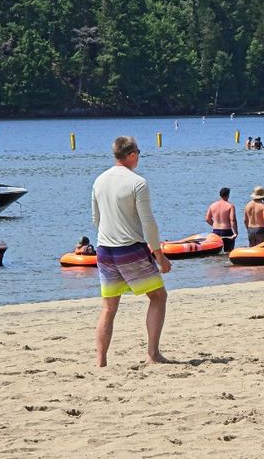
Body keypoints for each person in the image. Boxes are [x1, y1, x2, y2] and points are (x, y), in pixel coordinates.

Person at [92, 136, 172, 367]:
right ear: (132, 155)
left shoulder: (99, 180)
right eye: (139, 153)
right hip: (130, 248)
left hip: (105, 250)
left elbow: (96, 219)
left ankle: (101, 362)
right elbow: (148, 223)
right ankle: (153, 354)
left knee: (108, 308)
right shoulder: (137, 182)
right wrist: (160, 256)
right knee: (158, 296)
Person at [205, 187, 238, 252]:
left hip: (215, 231)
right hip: (227, 231)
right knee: (228, 252)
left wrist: (214, 225)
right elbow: (233, 219)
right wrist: (235, 232)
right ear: (228, 195)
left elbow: (207, 219)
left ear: (220, 195)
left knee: (217, 252)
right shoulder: (230, 206)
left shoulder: (212, 205)